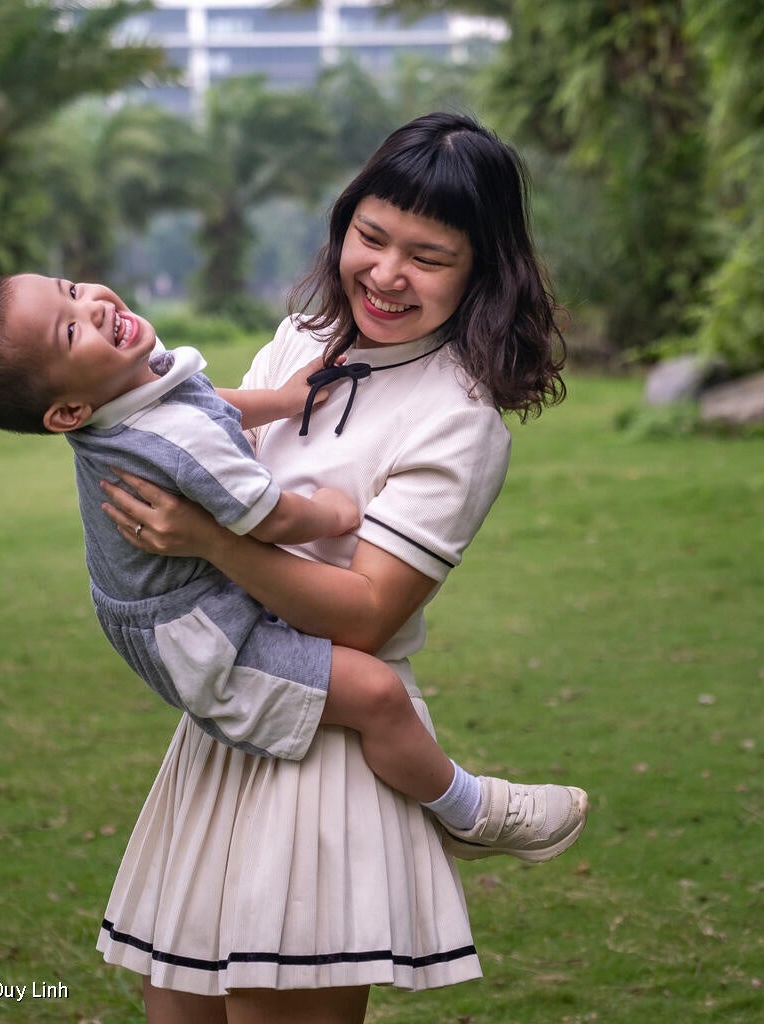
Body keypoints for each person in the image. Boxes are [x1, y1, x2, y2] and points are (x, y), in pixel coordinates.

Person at [93, 111, 573, 1023]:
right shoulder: (301, 339)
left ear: (481, 271)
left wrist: (213, 544)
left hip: (327, 751)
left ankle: (471, 809)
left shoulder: (457, 419)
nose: (387, 275)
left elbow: (364, 616)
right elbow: (206, 442)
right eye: (372, 237)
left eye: (428, 257)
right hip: (227, 720)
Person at [0, 273, 587, 860]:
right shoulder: (167, 441)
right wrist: (330, 513)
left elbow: (203, 404)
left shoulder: (128, 394)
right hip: (208, 643)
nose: (95, 305)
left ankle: (461, 807)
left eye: (70, 289)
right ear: (68, 413)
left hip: (182, 608)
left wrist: (278, 400)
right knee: (378, 696)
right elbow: (267, 516)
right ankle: (468, 812)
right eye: (70, 329)